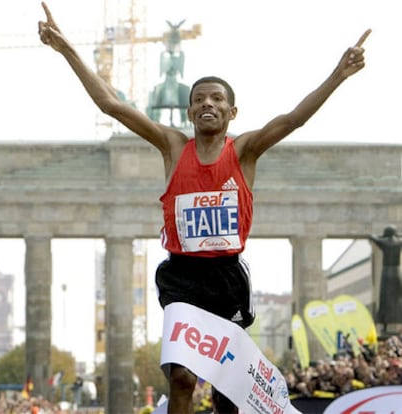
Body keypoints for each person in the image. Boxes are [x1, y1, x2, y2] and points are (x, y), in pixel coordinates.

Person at [38, 3, 370, 413]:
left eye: (217, 99)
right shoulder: (173, 146)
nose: (207, 104)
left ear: (232, 112)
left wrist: (338, 74)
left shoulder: (245, 151)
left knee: (228, 395)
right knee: (182, 379)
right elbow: (111, 105)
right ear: (190, 111)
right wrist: (67, 49)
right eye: (199, 100)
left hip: (227, 279)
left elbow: (293, 119)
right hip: (181, 277)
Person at [369, 225, 402, 330]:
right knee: (396, 297)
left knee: (385, 298)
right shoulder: (399, 242)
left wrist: (381, 236)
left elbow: (371, 236)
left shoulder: (384, 242)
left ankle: (384, 322)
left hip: (386, 272)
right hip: (396, 272)